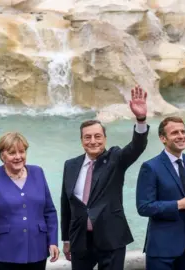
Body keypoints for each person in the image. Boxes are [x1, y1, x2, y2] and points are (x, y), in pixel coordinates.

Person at [60, 86, 149, 270]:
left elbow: (136, 147)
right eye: (88, 137)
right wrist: (66, 239)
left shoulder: (115, 158)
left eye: (98, 136)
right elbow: (66, 204)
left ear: (105, 139)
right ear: (81, 140)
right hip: (80, 240)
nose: (93, 141)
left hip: (111, 237)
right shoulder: (70, 165)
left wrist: (140, 120)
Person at [0, 132, 60, 270]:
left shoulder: (38, 172)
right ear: (2, 156)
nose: (18, 156)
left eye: (22, 151)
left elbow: (49, 211)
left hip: (36, 249)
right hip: (2, 251)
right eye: (12, 153)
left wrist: (53, 241)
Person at [136, 116, 185, 270]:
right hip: (161, 249)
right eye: (175, 133)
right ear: (163, 138)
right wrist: (179, 205)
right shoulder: (150, 167)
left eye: (183, 131)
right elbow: (144, 207)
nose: (181, 136)